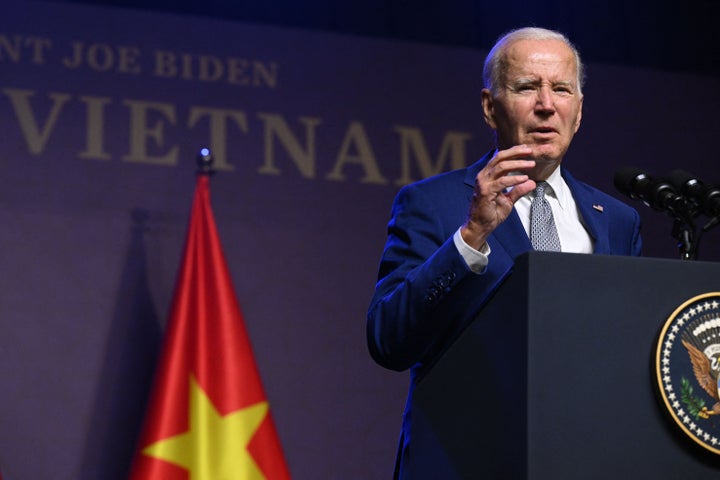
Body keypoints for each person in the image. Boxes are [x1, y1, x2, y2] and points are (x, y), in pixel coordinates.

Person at [366, 27, 642, 479]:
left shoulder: (616, 219)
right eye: (527, 87)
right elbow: (388, 339)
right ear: (489, 107)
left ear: (578, 112)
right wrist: (472, 235)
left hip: (582, 460)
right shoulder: (434, 204)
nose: (546, 105)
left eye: (561, 89)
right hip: (466, 462)